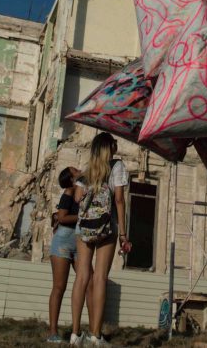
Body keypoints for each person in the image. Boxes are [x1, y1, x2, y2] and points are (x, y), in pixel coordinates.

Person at [70, 133, 130, 347]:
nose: (117, 144)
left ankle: (75, 334)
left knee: (81, 277)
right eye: (114, 142)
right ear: (109, 148)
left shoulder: (87, 169)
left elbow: (77, 199)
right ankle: (95, 336)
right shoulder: (117, 167)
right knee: (100, 278)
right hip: (107, 227)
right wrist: (123, 234)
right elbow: (119, 200)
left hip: (84, 228)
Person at [46, 166, 93, 344]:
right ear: (72, 178)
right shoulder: (69, 191)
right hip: (64, 241)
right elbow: (62, 217)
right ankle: (52, 333)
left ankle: (90, 330)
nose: (80, 169)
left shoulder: (83, 190)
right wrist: (82, 215)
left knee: (89, 283)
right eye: (75, 170)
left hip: (80, 240)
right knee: (59, 287)